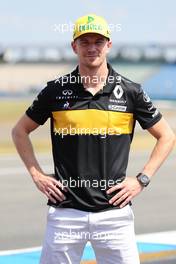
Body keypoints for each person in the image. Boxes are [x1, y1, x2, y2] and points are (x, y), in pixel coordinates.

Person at [12, 14, 175, 264]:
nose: (91, 48)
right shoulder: (55, 90)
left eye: (98, 41)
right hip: (65, 213)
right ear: (74, 46)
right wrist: (37, 175)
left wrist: (141, 180)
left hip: (115, 215)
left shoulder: (131, 91)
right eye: (84, 41)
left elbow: (166, 136)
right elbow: (20, 130)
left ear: (108, 45)